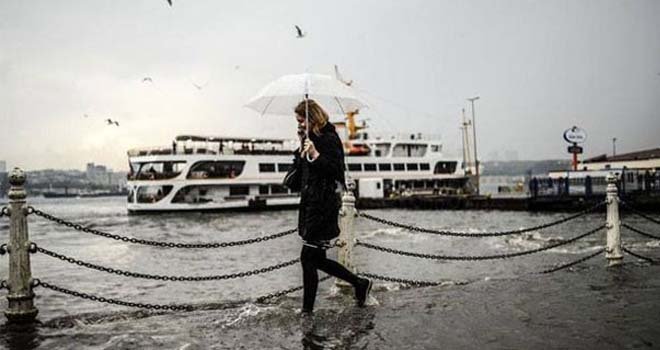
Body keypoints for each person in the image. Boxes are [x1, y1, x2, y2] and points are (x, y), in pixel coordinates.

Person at [284, 99, 371, 314]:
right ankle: (359, 283)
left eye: (301, 120)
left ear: (312, 118)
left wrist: (315, 154)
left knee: (308, 258)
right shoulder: (309, 139)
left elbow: (335, 171)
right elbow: (302, 176)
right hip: (310, 205)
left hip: (323, 205)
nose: (299, 125)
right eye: (297, 121)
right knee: (316, 259)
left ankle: (307, 311)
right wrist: (302, 148)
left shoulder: (330, 139)